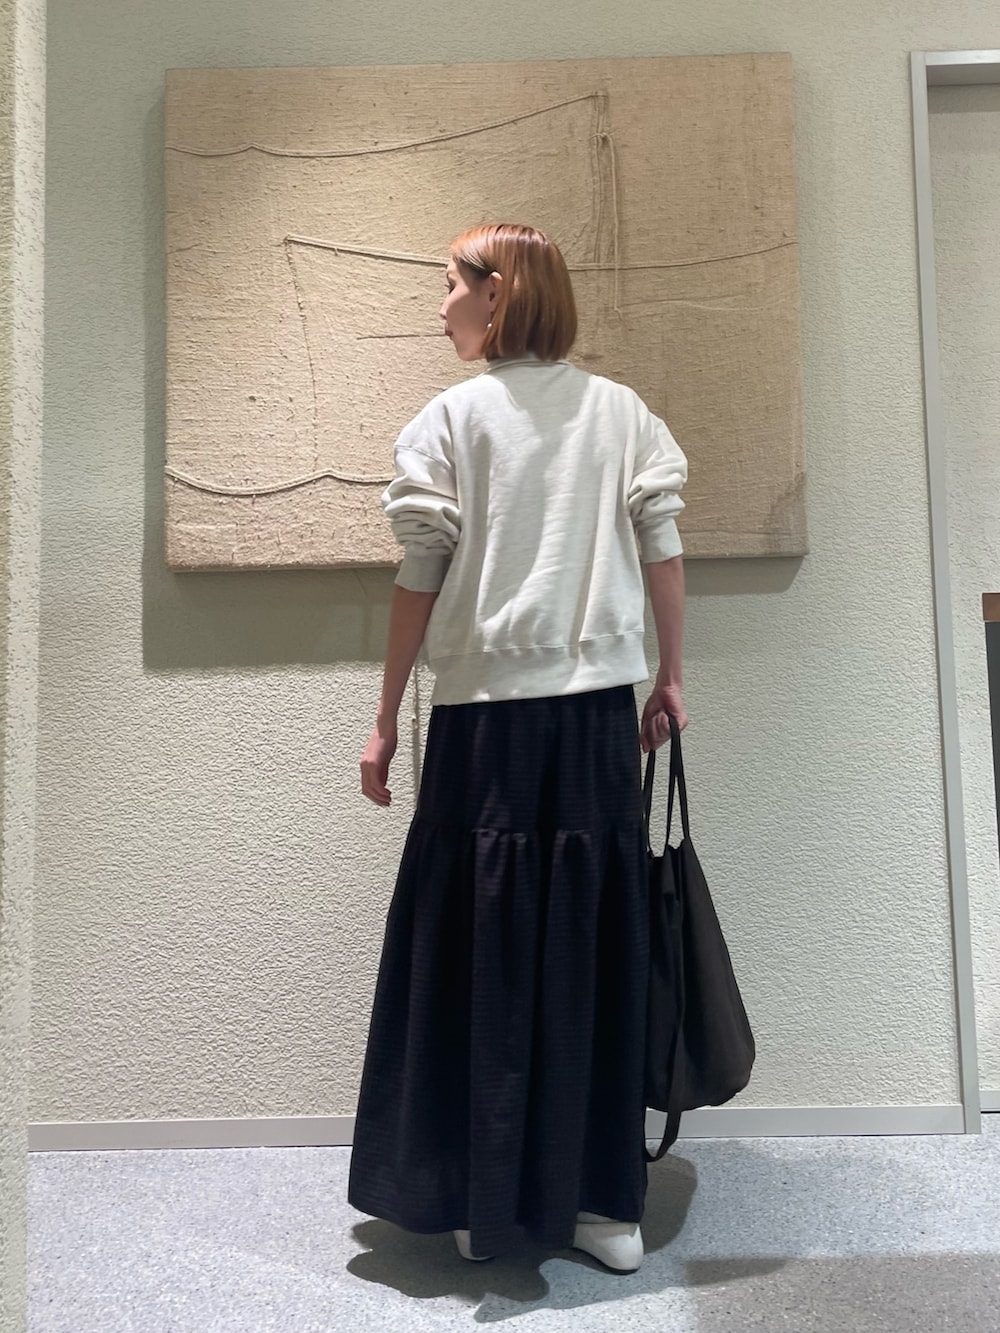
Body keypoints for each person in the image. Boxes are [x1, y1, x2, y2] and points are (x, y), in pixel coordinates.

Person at [348, 223, 688, 1273]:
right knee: (592, 946)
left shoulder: (450, 422)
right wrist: (670, 676)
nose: (439, 305)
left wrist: (384, 714)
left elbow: (420, 577)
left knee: (481, 949)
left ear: (497, 294)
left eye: (449, 285)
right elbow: (663, 548)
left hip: (486, 724)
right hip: (590, 719)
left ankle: (486, 1191)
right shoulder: (620, 413)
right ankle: (598, 1203)